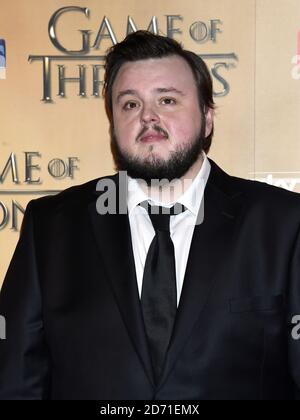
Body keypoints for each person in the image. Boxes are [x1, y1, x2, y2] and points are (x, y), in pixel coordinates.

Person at [0, 30, 299, 400]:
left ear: (207, 118)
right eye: (129, 104)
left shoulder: (284, 224)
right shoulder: (51, 227)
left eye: (168, 100)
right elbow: (16, 382)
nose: (148, 117)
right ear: (113, 125)